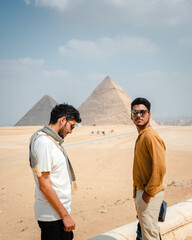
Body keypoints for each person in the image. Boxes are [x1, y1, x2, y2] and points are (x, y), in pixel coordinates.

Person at [29, 103, 81, 240]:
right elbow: (44, 185)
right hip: (53, 217)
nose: (71, 131)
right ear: (62, 120)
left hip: (57, 214)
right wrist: (65, 216)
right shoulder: (44, 143)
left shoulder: (52, 142)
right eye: (72, 126)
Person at [131, 97, 166, 240]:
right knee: (147, 233)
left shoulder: (150, 136)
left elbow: (160, 168)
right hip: (143, 192)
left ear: (149, 115)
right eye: (135, 112)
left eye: (142, 112)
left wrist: (147, 194)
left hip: (148, 194)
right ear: (131, 116)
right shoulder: (142, 135)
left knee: (150, 236)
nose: (138, 115)